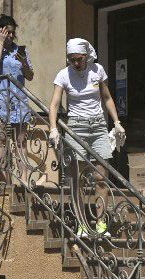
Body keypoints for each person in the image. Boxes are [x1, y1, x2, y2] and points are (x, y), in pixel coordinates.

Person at [48, 38, 126, 237]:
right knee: (78, 178)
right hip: (76, 126)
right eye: (71, 59)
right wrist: (53, 128)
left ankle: (101, 223)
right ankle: (82, 223)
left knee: (101, 177)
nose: (75, 63)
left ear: (86, 56)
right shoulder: (63, 75)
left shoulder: (97, 70)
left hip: (98, 125)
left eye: (79, 59)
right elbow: (55, 104)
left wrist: (116, 122)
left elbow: (106, 97)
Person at [0, 14, 33, 184]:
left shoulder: (21, 51)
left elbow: (30, 75)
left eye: (13, 33)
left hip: (18, 101)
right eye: (7, 32)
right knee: (1, 140)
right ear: (0, 32)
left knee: (21, 142)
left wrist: (24, 63)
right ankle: (6, 180)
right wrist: (0, 43)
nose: (11, 36)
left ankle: (25, 179)